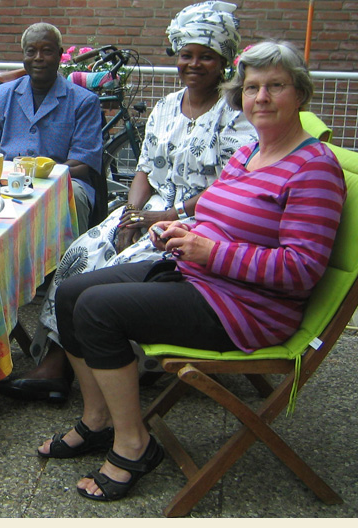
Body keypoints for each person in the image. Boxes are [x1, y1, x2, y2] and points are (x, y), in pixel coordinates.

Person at [37, 40, 345, 502]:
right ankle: (98, 420)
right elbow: (218, 215)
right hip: (201, 277)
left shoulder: (313, 169)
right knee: (71, 292)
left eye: (275, 86)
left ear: (299, 93)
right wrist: (181, 228)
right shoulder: (250, 154)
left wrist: (208, 250)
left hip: (247, 308)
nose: (261, 97)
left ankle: (133, 446)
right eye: (253, 87)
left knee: (99, 310)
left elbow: (300, 269)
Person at [0, 1, 257, 402]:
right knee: (80, 253)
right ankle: (60, 358)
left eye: (207, 57)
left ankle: (87, 362)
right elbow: (145, 170)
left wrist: (164, 215)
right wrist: (133, 213)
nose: (194, 64)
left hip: (202, 223)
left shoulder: (237, 113)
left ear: (224, 62)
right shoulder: (168, 107)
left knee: (115, 268)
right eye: (187, 55)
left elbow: (231, 188)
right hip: (152, 211)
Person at [0, 22, 104, 234]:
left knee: (76, 196)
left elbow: (82, 164)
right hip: (6, 179)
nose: (38, 58)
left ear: (60, 55)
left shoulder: (84, 101)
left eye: (47, 51)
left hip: (64, 182)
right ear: (23, 56)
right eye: (31, 51)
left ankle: (72, 263)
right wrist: (9, 178)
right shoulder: (1, 96)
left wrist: (38, 178)